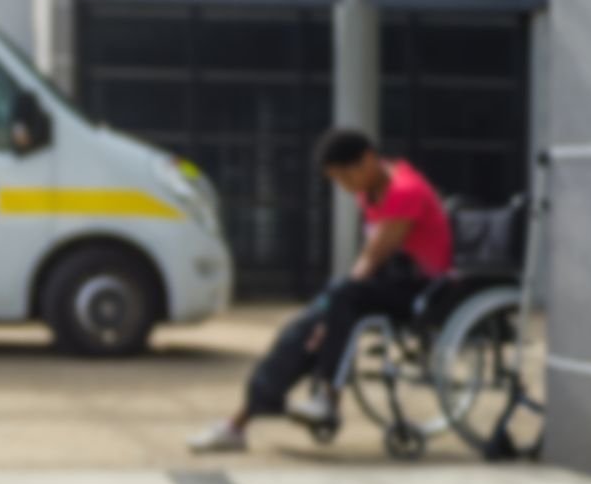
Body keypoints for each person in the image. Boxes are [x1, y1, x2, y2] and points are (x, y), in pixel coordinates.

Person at [188, 129, 452, 453]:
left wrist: (331, 314)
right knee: (302, 329)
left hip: (421, 291)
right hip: (387, 284)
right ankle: (240, 420)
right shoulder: (372, 190)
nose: (343, 186)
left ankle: (326, 398)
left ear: (367, 160)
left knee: (335, 303)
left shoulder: (404, 190)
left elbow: (374, 255)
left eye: (344, 176)